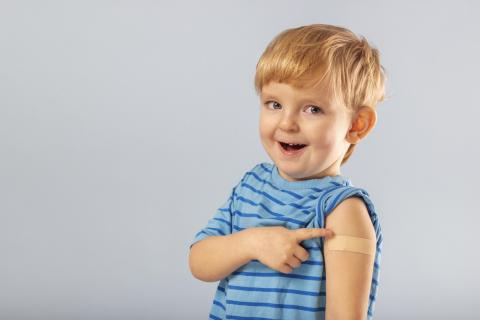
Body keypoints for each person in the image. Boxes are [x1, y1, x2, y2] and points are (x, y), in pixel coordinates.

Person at [188, 23, 386, 320]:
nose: (287, 123)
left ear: (357, 125)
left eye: (313, 109)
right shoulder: (251, 185)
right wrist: (252, 242)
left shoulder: (343, 211)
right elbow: (199, 262)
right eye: (275, 104)